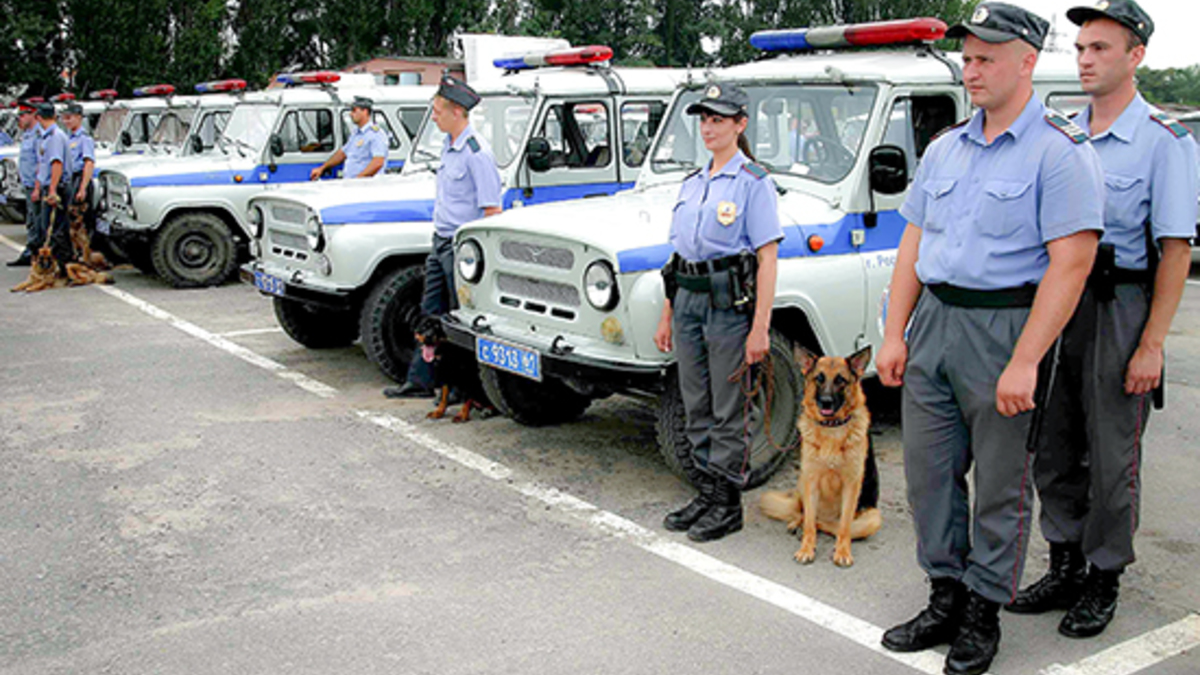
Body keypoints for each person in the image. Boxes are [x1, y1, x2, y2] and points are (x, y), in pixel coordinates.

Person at [874, 4, 1105, 674]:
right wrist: (895, 331)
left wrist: (1027, 359)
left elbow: (1072, 262)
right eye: (967, 58)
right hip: (935, 323)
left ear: (1027, 61)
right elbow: (914, 239)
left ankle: (981, 611)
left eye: (986, 58)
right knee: (928, 476)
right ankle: (943, 594)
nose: (971, 70)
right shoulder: (946, 146)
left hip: (1007, 325)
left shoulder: (1060, 154)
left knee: (1002, 484)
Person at [1006, 0, 1197, 640]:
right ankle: (1062, 563)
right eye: (1081, 48)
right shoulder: (1063, 133)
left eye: (1101, 48)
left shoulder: (1165, 142)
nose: (1085, 59)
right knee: (1052, 443)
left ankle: (1103, 573)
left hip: (1119, 306)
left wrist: (1151, 345)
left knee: (1113, 454)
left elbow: (1174, 250)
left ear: (1136, 55)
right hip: (1058, 303)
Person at [653, 83, 782, 543]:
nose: (709, 127)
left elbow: (767, 258)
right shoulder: (693, 183)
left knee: (728, 408)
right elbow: (678, 258)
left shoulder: (753, 183)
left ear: (740, 124)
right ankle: (707, 492)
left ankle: (727, 504)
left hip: (728, 306)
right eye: (704, 119)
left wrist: (760, 328)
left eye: (719, 120)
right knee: (696, 403)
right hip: (687, 299)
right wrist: (667, 314)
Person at [384, 75, 503, 399]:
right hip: (440, 242)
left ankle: (464, 388)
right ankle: (421, 381)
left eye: (437, 111)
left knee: (459, 319)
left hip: (460, 249)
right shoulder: (449, 148)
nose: (433, 116)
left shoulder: (476, 154)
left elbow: (492, 210)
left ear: (456, 111)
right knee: (430, 312)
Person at [31, 103, 73, 272]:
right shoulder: (47, 136)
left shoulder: (55, 136)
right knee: (49, 226)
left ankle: (63, 266)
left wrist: (52, 191)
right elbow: (43, 165)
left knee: (55, 229)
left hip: (57, 187)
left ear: (39, 117)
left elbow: (56, 164)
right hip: (49, 185)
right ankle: (60, 264)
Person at [308, 96, 387, 180]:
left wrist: (358, 179)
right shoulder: (356, 134)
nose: (350, 114)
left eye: (354, 110)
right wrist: (322, 168)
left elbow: (378, 162)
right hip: (352, 184)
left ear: (365, 111)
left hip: (365, 185)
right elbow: (342, 153)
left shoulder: (375, 134)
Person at [7, 101, 42, 266]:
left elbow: (41, 163)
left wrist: (37, 186)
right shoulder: (27, 134)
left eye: (22, 115)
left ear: (33, 115)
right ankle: (32, 252)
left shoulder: (39, 135)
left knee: (37, 221)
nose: (19, 119)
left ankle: (36, 254)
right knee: (31, 220)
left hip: (37, 185)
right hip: (28, 184)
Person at [61, 102, 98, 250]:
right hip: (70, 180)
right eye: (64, 118)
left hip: (79, 180)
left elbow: (88, 163)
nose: (66, 121)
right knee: (70, 220)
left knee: (82, 220)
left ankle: (87, 253)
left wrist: (82, 188)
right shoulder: (68, 138)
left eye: (69, 118)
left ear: (79, 118)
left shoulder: (84, 138)